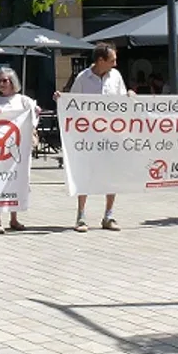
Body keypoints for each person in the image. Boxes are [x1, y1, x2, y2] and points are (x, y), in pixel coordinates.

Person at [53, 42, 132, 232]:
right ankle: (81, 216)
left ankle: (109, 216)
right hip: (88, 136)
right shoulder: (83, 78)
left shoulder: (116, 76)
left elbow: (122, 101)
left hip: (111, 135)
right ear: (100, 60)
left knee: (111, 175)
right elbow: (73, 103)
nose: (115, 63)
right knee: (85, 173)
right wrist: (61, 99)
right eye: (112, 60)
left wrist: (129, 95)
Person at [0, 66, 39, 233]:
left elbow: (32, 121)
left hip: (18, 147)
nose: (2, 84)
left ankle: (14, 218)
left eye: (5, 80)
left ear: (12, 81)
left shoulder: (24, 100)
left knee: (16, 181)